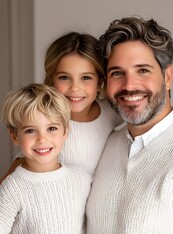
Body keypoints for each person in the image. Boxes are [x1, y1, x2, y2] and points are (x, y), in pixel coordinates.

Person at [86, 17, 173, 234]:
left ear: (167, 76)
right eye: (117, 73)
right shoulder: (107, 142)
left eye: (142, 70)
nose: (129, 85)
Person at [0, 32, 123, 182]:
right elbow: (25, 158)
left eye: (86, 78)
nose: (75, 88)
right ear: (51, 80)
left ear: (99, 82)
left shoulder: (109, 111)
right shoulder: (46, 120)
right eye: (64, 77)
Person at [0, 83, 91, 234]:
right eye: (30, 130)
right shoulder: (12, 188)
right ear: (14, 136)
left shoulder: (81, 178)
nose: (42, 139)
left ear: (65, 131)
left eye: (52, 128)